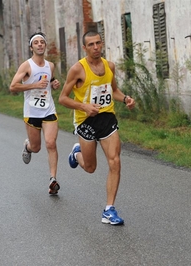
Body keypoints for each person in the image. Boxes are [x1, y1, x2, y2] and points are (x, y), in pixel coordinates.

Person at [59, 31, 136, 225]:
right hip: (86, 122)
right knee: (91, 167)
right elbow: (63, 98)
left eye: (98, 43)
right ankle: (76, 154)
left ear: (102, 44)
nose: (96, 47)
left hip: (107, 118)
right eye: (91, 45)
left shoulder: (109, 66)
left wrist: (125, 98)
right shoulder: (78, 69)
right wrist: (84, 106)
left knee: (115, 162)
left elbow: (114, 90)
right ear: (84, 48)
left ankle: (109, 209)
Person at [10, 32, 62, 195]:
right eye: (36, 43)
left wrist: (54, 84)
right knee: (37, 147)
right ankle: (28, 146)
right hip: (32, 112)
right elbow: (13, 87)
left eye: (42, 42)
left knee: (51, 143)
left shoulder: (51, 65)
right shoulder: (27, 66)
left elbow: (50, 79)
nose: (40, 45)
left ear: (45, 46)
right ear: (31, 47)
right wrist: (34, 85)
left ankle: (52, 180)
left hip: (48, 110)